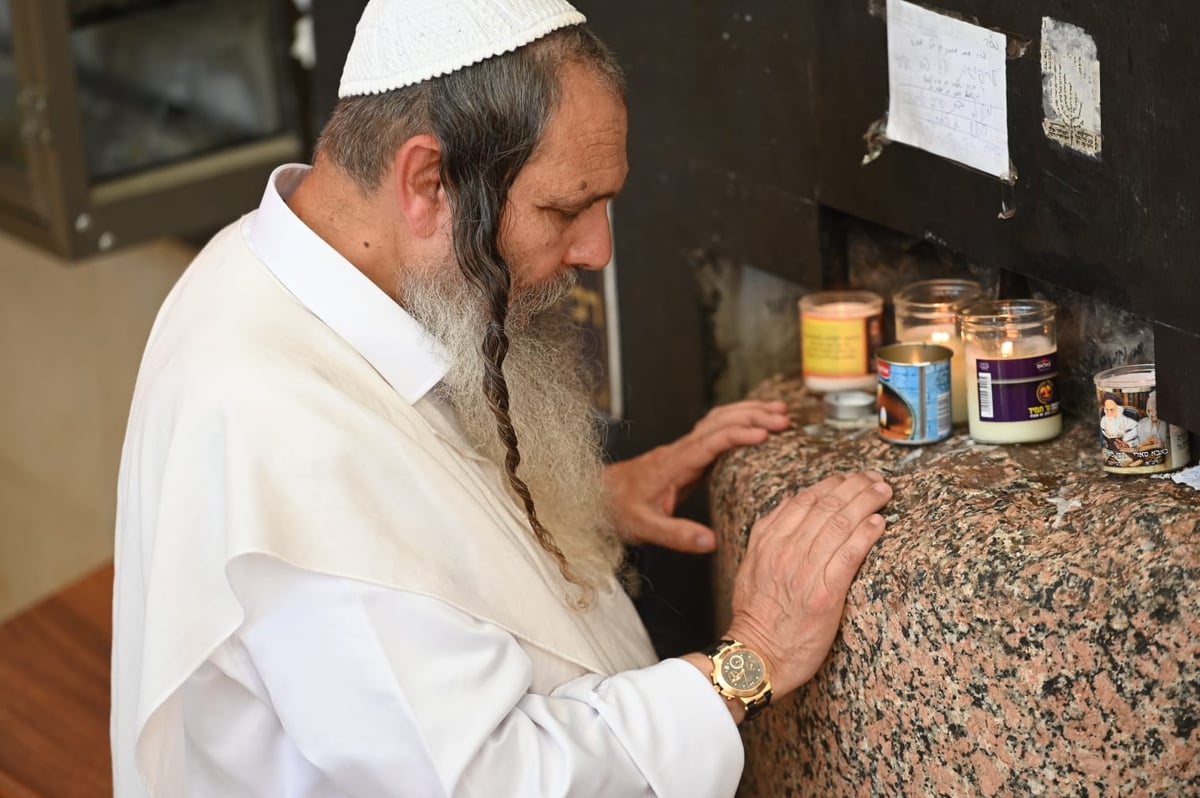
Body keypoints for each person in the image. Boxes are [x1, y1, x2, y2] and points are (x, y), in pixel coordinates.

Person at [110, 1, 894, 795]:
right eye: (563, 209)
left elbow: (407, 519)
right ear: (427, 180)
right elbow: (490, 778)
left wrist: (578, 507)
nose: (597, 250)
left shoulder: (281, 263)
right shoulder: (281, 435)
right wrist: (750, 659)